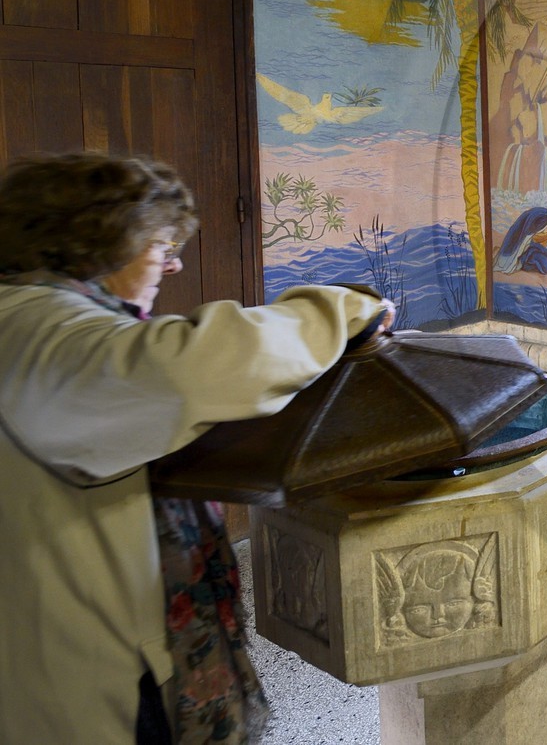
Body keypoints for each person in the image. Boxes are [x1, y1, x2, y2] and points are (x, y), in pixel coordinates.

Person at [0, 152, 393, 744]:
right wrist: (342, 309)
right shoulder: (35, 329)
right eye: (162, 246)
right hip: (91, 662)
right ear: (100, 243)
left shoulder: (34, 315)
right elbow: (190, 368)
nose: (175, 264)